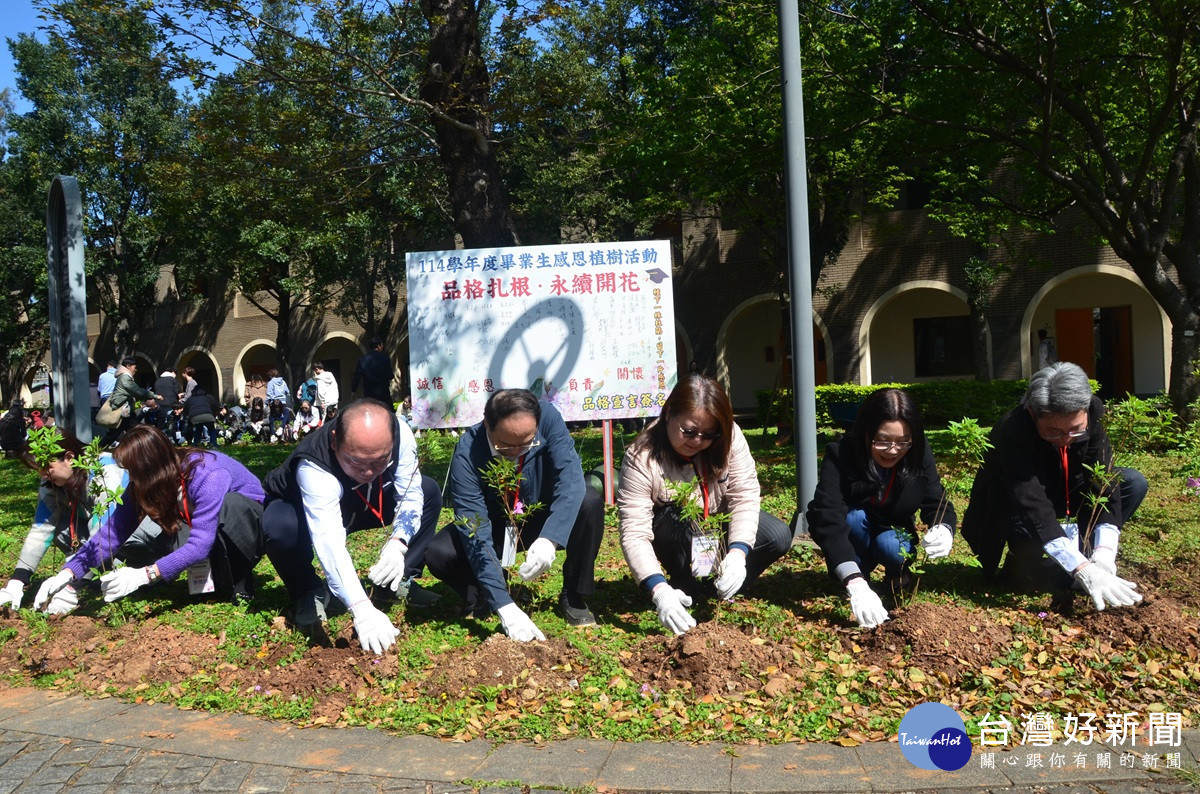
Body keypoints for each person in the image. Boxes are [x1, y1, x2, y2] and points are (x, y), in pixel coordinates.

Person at [260, 399, 443, 652]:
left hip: (364, 501)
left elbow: (410, 495)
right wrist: (361, 609)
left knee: (428, 491)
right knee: (279, 526)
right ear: (335, 441)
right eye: (356, 461)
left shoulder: (401, 433)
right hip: (303, 510)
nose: (368, 472)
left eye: (379, 461)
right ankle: (307, 590)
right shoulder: (314, 465)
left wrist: (398, 543)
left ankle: (399, 579)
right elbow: (329, 542)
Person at [961, 362, 1146, 611]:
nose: (1066, 439)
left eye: (1075, 430)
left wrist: (1103, 554)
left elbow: (1103, 478)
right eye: (1053, 433)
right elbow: (1031, 502)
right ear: (1031, 412)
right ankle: (1020, 562)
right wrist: (1082, 569)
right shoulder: (1011, 432)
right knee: (1034, 570)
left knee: (1132, 482)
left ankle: (1084, 553)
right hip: (1014, 505)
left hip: (1064, 488)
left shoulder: (1094, 411)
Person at [617, 375, 792, 636]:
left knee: (777, 536)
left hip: (716, 523)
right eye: (688, 432)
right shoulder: (642, 457)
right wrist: (658, 590)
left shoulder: (730, 436)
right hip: (674, 531)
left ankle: (722, 583)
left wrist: (738, 554)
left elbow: (744, 495)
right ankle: (680, 584)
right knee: (677, 523)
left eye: (709, 434)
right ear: (668, 415)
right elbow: (634, 531)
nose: (698, 441)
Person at [425, 389, 605, 641]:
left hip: (539, 516)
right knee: (440, 553)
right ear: (488, 424)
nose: (517, 451)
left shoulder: (549, 419)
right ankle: (488, 595)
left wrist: (549, 539)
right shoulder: (468, 450)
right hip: (497, 525)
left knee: (589, 500)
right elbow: (474, 526)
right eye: (507, 444)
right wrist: (504, 606)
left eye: (527, 442)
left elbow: (571, 481)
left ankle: (574, 594)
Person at [32, 425, 266, 614]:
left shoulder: (208, 474)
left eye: (134, 472)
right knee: (177, 541)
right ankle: (217, 579)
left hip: (248, 523)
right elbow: (112, 531)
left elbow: (201, 543)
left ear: (152, 468)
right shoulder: (145, 482)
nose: (131, 479)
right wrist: (68, 573)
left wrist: (145, 574)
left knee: (230, 507)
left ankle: (241, 579)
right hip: (207, 527)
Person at [805, 388, 957, 629]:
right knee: (853, 519)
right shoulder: (841, 453)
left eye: (902, 442)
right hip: (854, 528)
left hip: (892, 526)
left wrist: (943, 527)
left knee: (893, 548)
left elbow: (935, 499)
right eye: (882, 441)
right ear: (865, 433)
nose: (893, 450)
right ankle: (856, 573)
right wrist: (853, 581)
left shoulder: (917, 452)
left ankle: (897, 574)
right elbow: (828, 514)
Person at [0, 433, 127, 610]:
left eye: (46, 467)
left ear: (69, 457)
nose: (43, 475)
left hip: (133, 536)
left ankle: (117, 570)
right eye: (38, 469)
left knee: (96, 526)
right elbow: (41, 528)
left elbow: (105, 532)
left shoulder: (104, 472)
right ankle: (90, 571)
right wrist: (18, 579)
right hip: (98, 541)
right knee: (61, 528)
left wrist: (71, 579)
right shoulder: (51, 482)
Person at [99, 358, 162, 447]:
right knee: (135, 431)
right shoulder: (125, 377)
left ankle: (141, 447)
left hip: (125, 411)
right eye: (135, 367)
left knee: (124, 432)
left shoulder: (124, 376)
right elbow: (136, 390)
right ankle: (149, 446)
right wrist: (154, 395)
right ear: (128, 366)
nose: (136, 369)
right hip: (122, 410)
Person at [352, 337, 395, 404]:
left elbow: (357, 377)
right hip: (383, 392)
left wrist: (353, 390)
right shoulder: (385, 358)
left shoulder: (362, 360)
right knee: (388, 411)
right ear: (378, 346)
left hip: (369, 393)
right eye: (382, 345)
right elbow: (389, 375)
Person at [183, 382, 221, 449]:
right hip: (208, 415)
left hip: (194, 417)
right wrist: (213, 414)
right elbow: (216, 407)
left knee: (198, 429)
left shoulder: (190, 399)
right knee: (211, 429)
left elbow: (185, 410)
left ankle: (196, 444)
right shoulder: (208, 397)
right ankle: (213, 444)